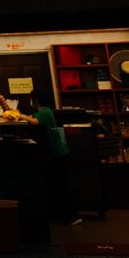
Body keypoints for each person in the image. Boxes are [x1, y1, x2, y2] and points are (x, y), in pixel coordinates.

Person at [24, 90, 80, 226]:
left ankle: (72, 216)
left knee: (61, 185)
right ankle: (62, 213)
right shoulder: (47, 111)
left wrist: (20, 115)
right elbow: (34, 118)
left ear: (36, 101)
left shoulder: (44, 112)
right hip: (58, 153)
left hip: (57, 153)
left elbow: (35, 122)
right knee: (57, 184)